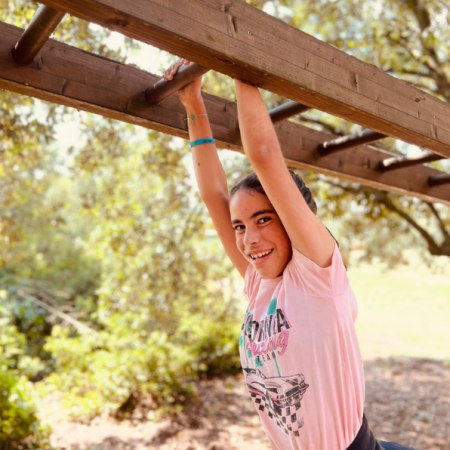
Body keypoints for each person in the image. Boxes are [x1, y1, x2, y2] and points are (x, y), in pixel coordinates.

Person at [162, 59, 416, 450]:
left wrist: (235, 59)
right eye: (241, 227)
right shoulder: (259, 282)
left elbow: (263, 153)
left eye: (263, 219)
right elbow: (214, 196)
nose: (248, 240)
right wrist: (193, 104)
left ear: (294, 220)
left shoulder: (318, 277)